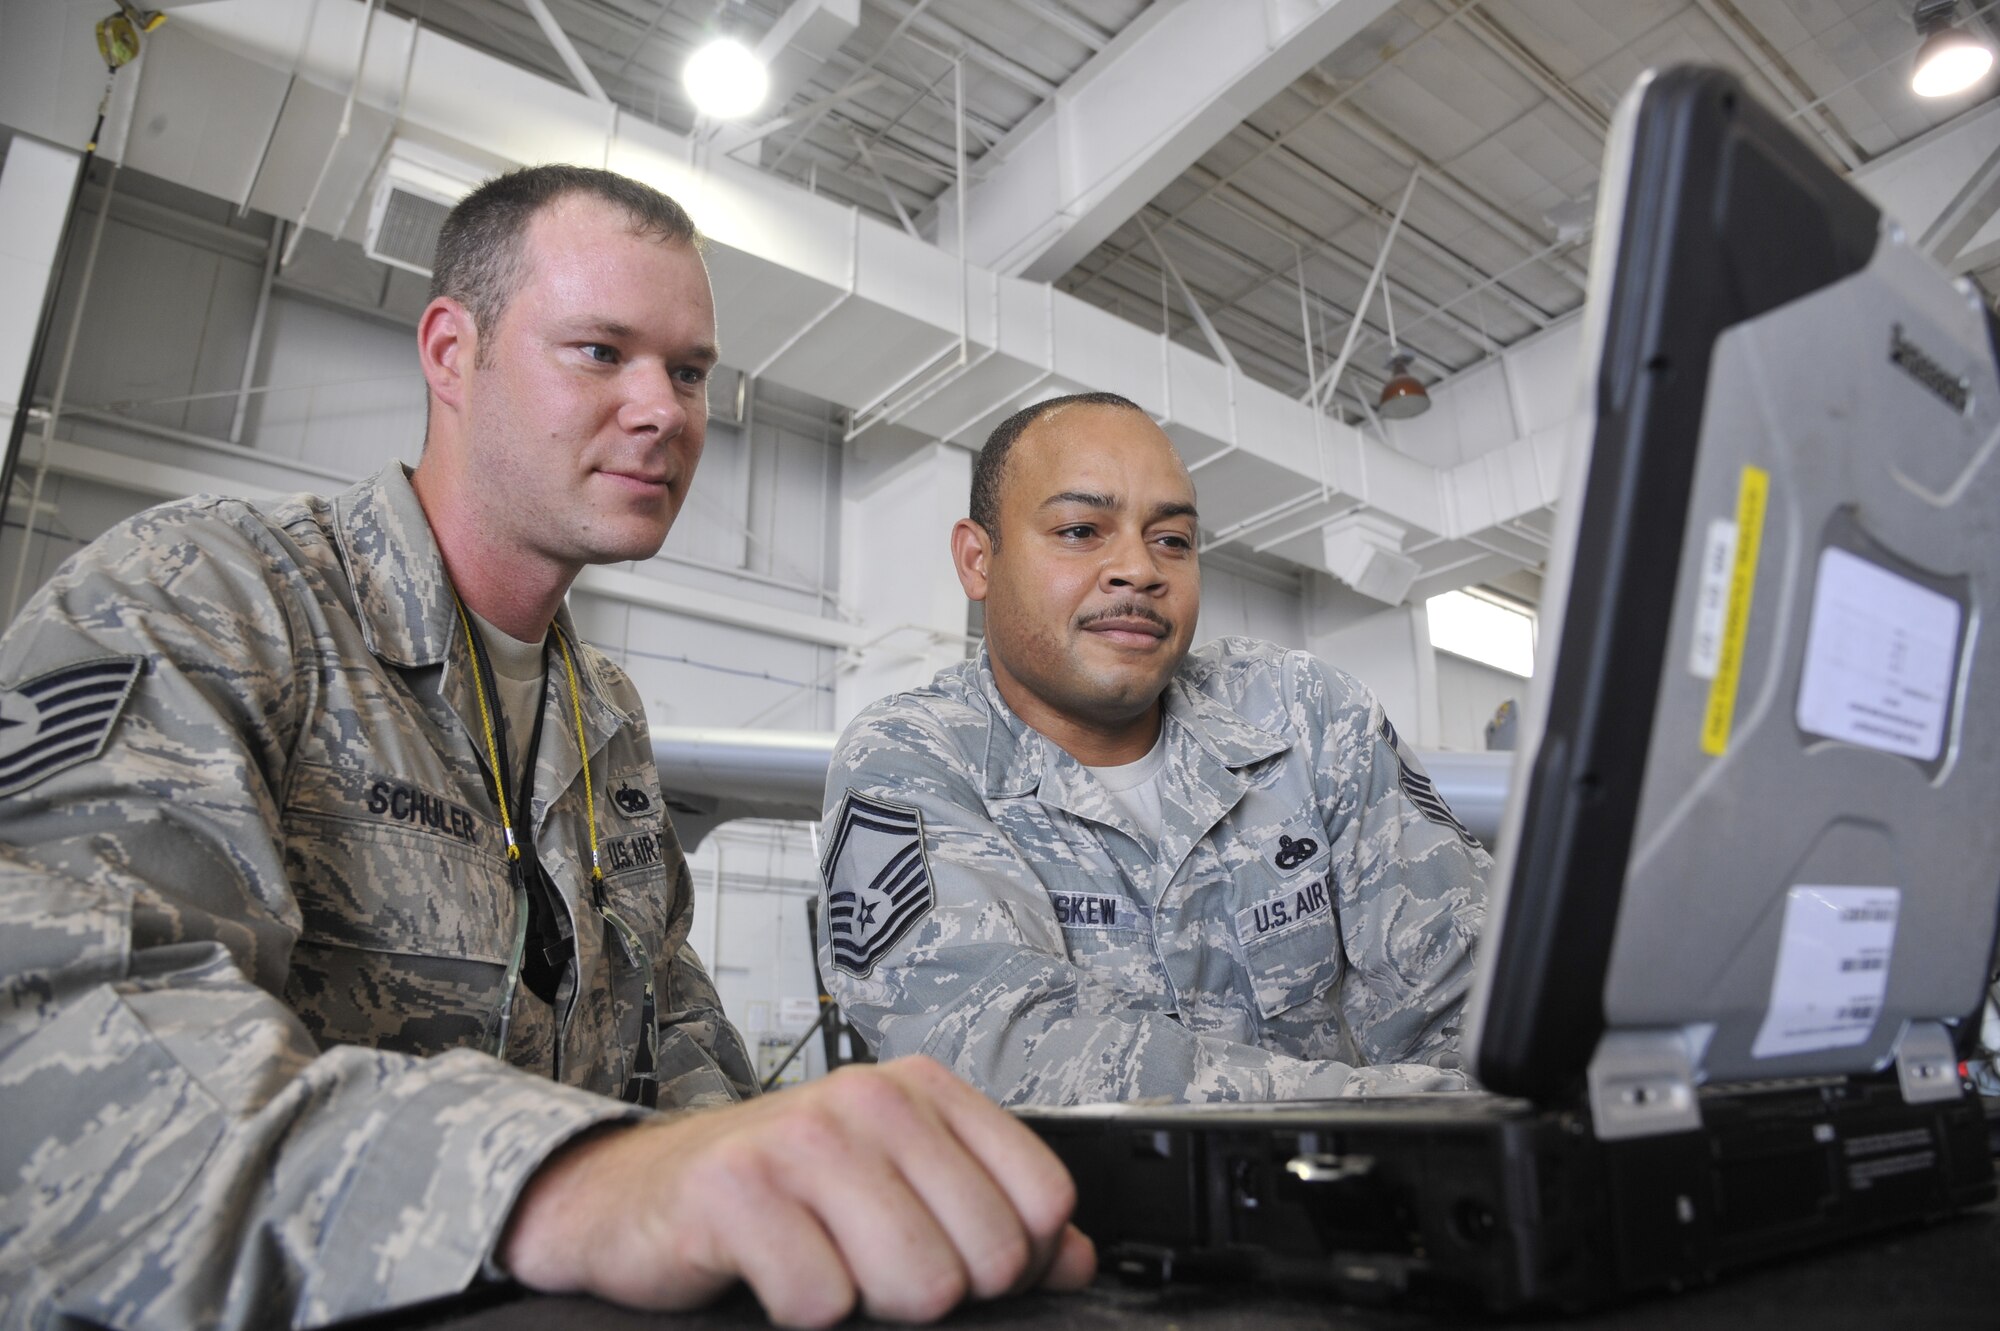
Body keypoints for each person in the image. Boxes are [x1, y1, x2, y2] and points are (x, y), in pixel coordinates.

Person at [0, 166, 1091, 1330]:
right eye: (598, 351)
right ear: (450, 352)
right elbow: (54, 1055)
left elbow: (671, 1032)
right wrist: (567, 1176)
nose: (663, 411)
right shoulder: (206, 598)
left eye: (687, 371)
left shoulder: (601, 710)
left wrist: (788, 1167)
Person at [818, 392, 1490, 1106]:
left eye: (1172, 539)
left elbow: (1475, 992)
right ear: (978, 560)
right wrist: (1388, 1107)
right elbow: (1008, 1056)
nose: (1139, 569)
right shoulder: (912, 758)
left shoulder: (1310, 717)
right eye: (1081, 530)